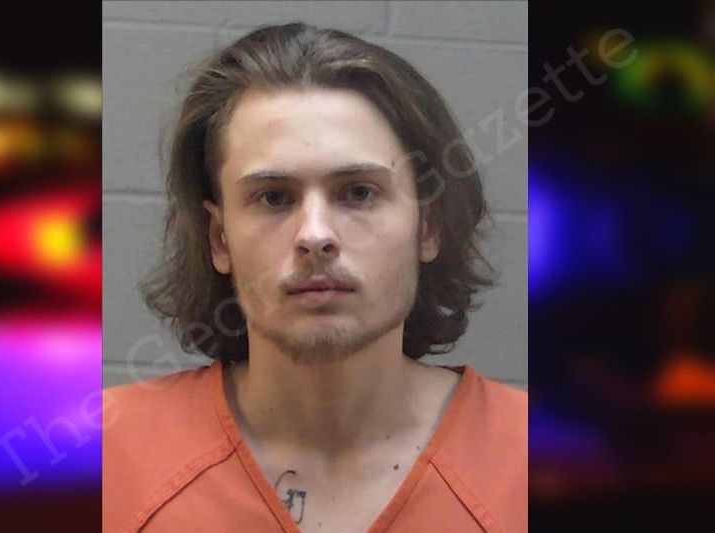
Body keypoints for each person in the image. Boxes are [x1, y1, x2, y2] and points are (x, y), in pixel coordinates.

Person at [103, 22, 526, 533]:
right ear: (220, 238)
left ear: (428, 226)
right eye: (273, 197)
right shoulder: (103, 459)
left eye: (359, 193)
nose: (315, 235)